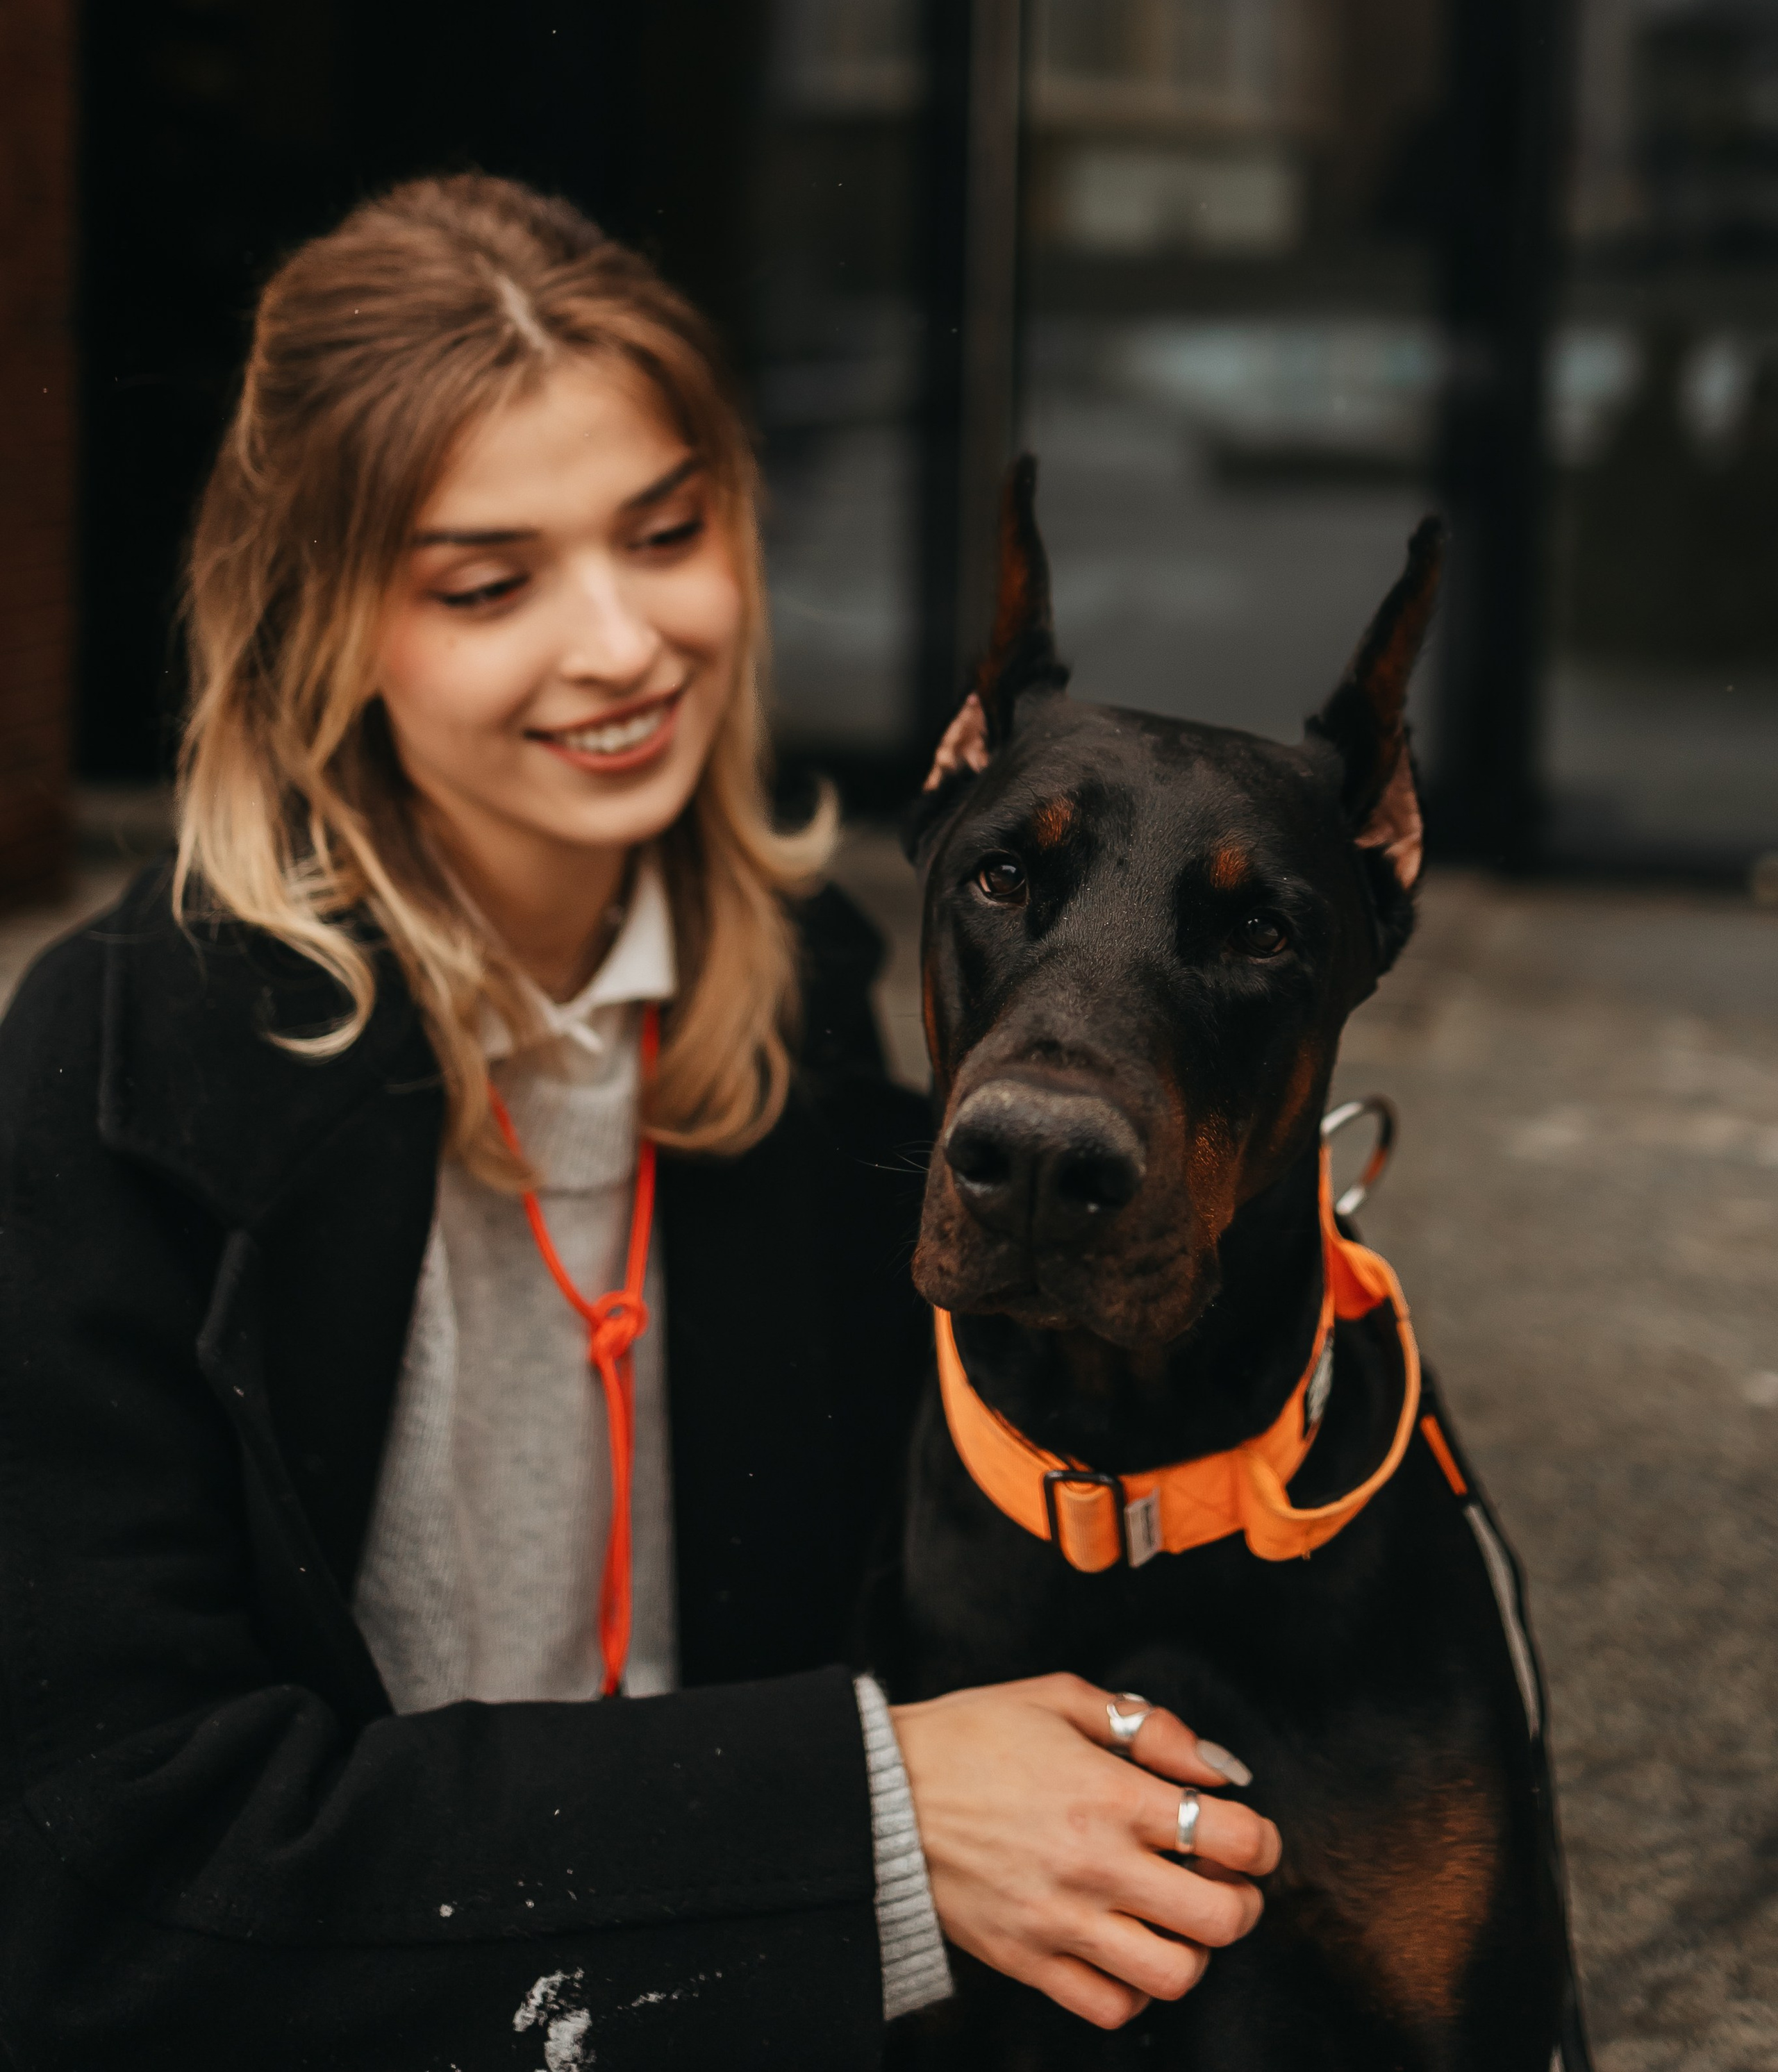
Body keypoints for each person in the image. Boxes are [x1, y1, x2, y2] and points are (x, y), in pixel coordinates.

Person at [0, 176, 1279, 2067]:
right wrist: (865, 1813)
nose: (621, 644)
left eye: (664, 532)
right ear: (324, 620)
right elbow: (110, 1881)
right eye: (487, 580)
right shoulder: (130, 1063)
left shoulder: (823, 1006)